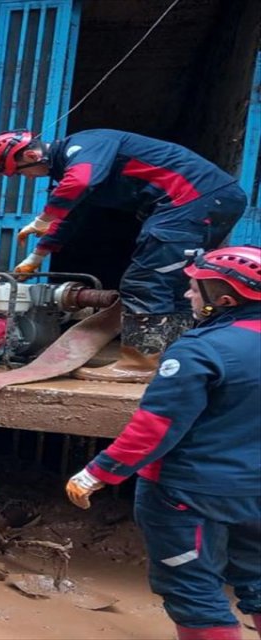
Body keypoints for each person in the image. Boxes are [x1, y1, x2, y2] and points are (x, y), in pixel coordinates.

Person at [65, 245, 261, 640]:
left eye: (194, 288)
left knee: (192, 590)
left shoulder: (201, 350)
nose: (188, 295)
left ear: (222, 300)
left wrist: (98, 472)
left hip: (188, 492)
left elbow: (156, 426)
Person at [0, 129, 246, 382]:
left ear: (30, 156)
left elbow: (81, 181)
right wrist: (36, 257)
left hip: (193, 198)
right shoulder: (73, 167)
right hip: (208, 199)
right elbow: (73, 212)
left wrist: (43, 218)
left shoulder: (86, 145)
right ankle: (171, 360)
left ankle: (139, 364)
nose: (26, 179)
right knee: (173, 282)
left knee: (146, 279)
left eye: (19, 173)